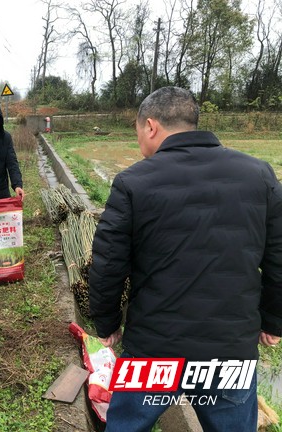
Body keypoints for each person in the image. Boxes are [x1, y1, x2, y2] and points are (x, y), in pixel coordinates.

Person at [87, 86, 282, 431]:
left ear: (150, 126)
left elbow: (108, 262)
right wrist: (273, 320)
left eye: (137, 133)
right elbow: (278, 257)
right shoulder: (260, 175)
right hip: (230, 345)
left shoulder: (133, 182)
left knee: (127, 427)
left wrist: (107, 323)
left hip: (154, 347)